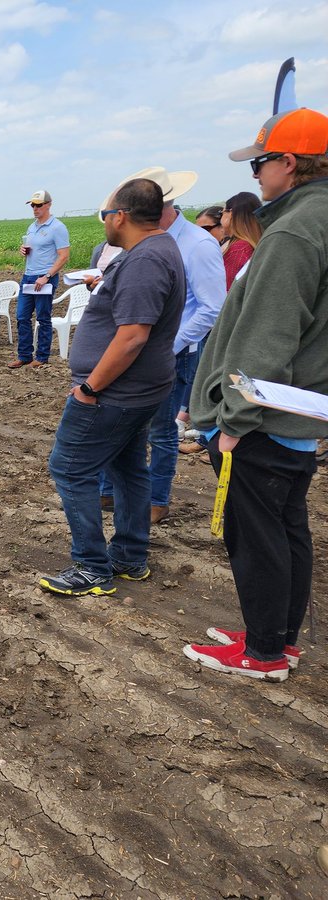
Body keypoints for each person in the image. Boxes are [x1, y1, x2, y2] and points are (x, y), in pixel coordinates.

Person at [183, 107, 328, 682]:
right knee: (289, 525)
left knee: (257, 533)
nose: (256, 176)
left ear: (289, 163)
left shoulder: (293, 230)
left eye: (261, 162)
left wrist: (235, 420)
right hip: (303, 409)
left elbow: (268, 335)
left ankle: (263, 653)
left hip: (267, 414)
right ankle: (279, 638)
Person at [39, 179, 185, 596]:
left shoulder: (145, 260)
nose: (104, 222)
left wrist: (90, 387)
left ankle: (91, 566)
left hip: (115, 394)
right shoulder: (156, 249)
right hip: (140, 390)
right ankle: (130, 556)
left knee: (69, 467)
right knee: (128, 469)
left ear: (120, 216)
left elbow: (133, 336)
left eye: (106, 214)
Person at [97, 167, 227, 525]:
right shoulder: (141, 242)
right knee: (119, 424)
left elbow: (213, 307)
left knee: (161, 431)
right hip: (133, 353)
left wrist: (171, 344)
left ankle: (156, 500)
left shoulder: (198, 244)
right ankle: (107, 491)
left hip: (171, 356)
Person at [10, 190, 70, 369]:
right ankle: (24, 355)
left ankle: (42, 356)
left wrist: (47, 276)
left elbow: (63, 256)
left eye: (38, 205)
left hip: (45, 277)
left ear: (49, 205)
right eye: (33, 205)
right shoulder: (32, 226)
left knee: (43, 318)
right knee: (22, 316)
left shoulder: (57, 227)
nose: (35, 209)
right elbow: (32, 249)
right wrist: (23, 250)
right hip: (28, 276)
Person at [221, 191, 262, 287]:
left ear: (230, 213)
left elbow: (229, 289)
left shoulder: (239, 249)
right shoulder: (255, 243)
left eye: (222, 213)